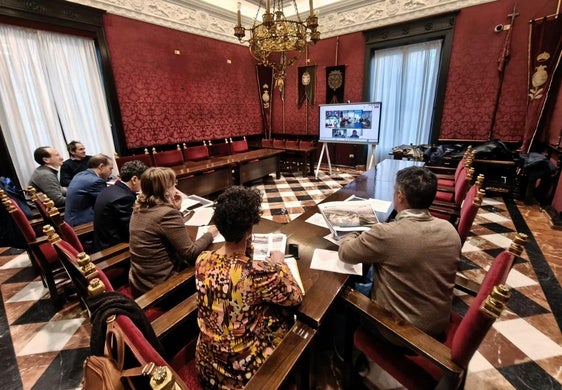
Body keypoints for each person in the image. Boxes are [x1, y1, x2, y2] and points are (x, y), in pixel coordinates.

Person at [338, 166, 461, 346]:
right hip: (436, 322)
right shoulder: (450, 230)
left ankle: (340, 355)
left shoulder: (387, 234)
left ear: (400, 196)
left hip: (400, 331)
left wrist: (354, 231)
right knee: (371, 270)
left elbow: (345, 252)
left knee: (339, 296)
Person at [195, 186, 304, 389]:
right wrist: (281, 263)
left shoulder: (203, 260)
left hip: (207, 364)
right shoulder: (256, 273)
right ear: (250, 229)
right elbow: (295, 296)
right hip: (241, 374)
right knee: (284, 315)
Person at [128, 167, 218, 297]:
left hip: (140, 281)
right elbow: (190, 252)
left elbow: (163, 227)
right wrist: (210, 234)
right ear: (164, 190)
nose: (175, 189)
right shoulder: (166, 213)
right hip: (162, 285)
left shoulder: (139, 207)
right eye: (172, 185)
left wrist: (176, 208)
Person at [93, 160, 148, 251]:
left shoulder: (112, 189)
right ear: (134, 179)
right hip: (114, 249)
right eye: (143, 180)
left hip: (103, 241)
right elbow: (132, 230)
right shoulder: (123, 198)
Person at [64, 154, 114, 227]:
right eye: (110, 169)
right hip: (82, 224)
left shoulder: (80, 174)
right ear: (101, 167)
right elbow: (109, 203)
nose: (111, 172)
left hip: (71, 220)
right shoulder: (96, 181)